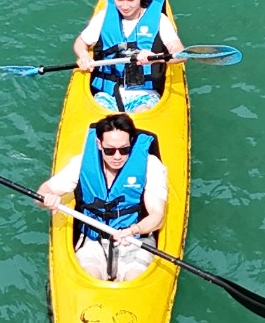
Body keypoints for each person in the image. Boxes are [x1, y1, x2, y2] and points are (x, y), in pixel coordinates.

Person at [40, 112, 169, 284]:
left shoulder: (150, 165)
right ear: (99, 144)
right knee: (89, 277)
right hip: (93, 241)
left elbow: (157, 217)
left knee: (134, 278)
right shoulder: (81, 163)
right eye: (110, 150)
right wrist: (47, 198)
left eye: (124, 150)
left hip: (135, 240)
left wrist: (133, 230)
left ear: (131, 142)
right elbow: (44, 190)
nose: (117, 156)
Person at [72, 0, 185, 113]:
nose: (125, 6)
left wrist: (156, 57)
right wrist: (84, 55)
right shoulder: (104, 17)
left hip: (144, 95)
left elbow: (180, 52)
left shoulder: (159, 20)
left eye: (131, 0)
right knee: (104, 123)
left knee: (142, 112)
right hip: (107, 95)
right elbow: (81, 42)